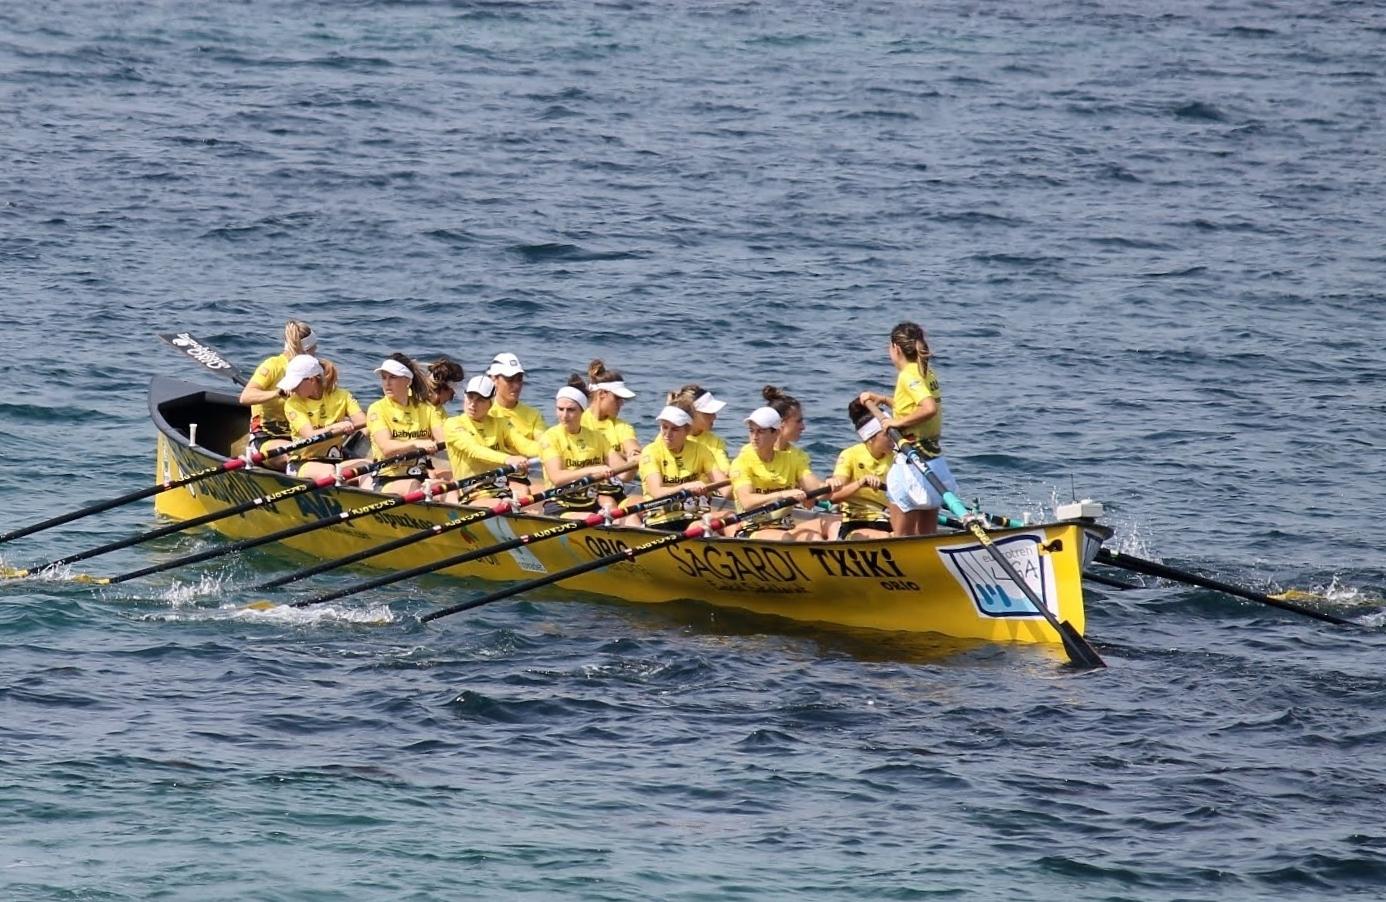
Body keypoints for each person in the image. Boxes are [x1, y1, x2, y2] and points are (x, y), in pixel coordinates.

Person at [857, 321, 958, 535]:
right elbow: (913, 407)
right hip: (934, 464)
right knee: (927, 536)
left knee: (902, 537)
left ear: (896, 348)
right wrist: (884, 400)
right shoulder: (926, 371)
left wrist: (896, 423)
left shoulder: (908, 375)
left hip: (911, 466)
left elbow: (928, 408)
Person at [728, 407, 834, 541]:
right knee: (787, 539)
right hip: (751, 529)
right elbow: (747, 502)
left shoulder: (792, 459)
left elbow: (819, 492)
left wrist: (829, 486)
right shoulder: (741, 462)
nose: (754, 437)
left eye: (761, 431)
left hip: (785, 526)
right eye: (751, 431)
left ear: (776, 433)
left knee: (819, 535)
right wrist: (782, 494)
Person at [237, 320, 324, 469]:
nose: (315, 353)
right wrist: (277, 393)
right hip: (267, 438)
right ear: (306, 349)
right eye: (313, 349)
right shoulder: (273, 366)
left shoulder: (311, 370)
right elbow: (246, 397)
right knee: (295, 453)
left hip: (302, 435)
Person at [275, 354, 371, 483]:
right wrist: (335, 427)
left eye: (296, 384)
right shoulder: (293, 404)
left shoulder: (342, 396)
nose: (292, 389)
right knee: (329, 471)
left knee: (370, 467)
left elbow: (363, 422)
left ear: (312, 380)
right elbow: (309, 435)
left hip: (335, 460)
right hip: (302, 462)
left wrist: (350, 425)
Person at [539, 384, 626, 519]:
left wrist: (637, 459)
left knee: (625, 515)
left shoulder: (596, 437)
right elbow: (557, 477)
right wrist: (592, 470)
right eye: (560, 409)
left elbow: (624, 474)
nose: (564, 415)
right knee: (595, 517)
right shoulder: (550, 438)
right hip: (561, 503)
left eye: (571, 410)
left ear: (582, 411)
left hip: (590, 501)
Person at [638, 402, 727, 532]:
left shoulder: (701, 450)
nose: (667, 434)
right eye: (664, 427)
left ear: (687, 430)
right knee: (700, 526)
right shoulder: (650, 452)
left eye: (675, 429)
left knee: (729, 516)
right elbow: (656, 492)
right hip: (661, 519)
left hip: (696, 516)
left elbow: (725, 489)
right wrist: (687, 487)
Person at [366, 353, 446, 496]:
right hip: (387, 478)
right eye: (384, 377)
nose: (387, 383)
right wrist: (416, 443)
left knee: (447, 488)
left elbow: (444, 440)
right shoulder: (377, 409)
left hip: (420, 476)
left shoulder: (426, 409)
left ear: (408, 380)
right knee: (413, 485)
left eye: (393, 377)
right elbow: (386, 448)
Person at [443, 375, 532, 504]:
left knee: (524, 492)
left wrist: (549, 448)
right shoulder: (453, 424)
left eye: (480, 400)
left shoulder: (500, 423)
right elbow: (474, 450)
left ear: (491, 402)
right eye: (470, 397)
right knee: (502, 505)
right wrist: (508, 459)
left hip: (499, 487)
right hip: (471, 491)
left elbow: (525, 445)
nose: (473, 404)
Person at [828, 400, 895, 539]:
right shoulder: (850, 455)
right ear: (870, 438)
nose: (892, 438)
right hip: (856, 522)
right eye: (886, 434)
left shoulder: (897, 457)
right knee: (885, 537)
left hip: (888, 520)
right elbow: (834, 497)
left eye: (893, 433)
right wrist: (860, 483)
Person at [579, 359, 641, 462]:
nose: (621, 403)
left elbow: (633, 449)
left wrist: (634, 453)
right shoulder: (579, 422)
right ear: (601, 394)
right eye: (617, 398)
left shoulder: (622, 426)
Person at [486, 352, 546, 456]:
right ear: (494, 379)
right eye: (509, 380)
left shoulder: (534, 414)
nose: (516, 386)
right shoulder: (484, 412)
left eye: (519, 379)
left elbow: (544, 442)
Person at [670, 383, 731, 473]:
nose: (714, 417)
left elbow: (725, 471)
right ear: (692, 413)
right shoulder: (669, 437)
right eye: (708, 413)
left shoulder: (716, 442)